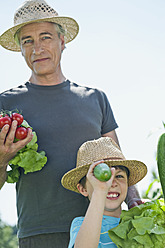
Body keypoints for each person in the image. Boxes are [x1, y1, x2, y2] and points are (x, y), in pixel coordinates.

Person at [0, 0, 144, 247]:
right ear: (20, 50)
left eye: (45, 37)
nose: (37, 48)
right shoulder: (6, 107)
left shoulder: (95, 99)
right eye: (27, 41)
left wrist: (134, 201)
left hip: (101, 230)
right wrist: (2, 158)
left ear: (62, 41)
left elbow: (117, 160)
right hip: (39, 233)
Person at [61, 137, 147, 248]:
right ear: (83, 189)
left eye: (119, 176)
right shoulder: (82, 224)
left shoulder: (137, 221)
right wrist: (100, 191)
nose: (112, 183)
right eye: (101, 178)